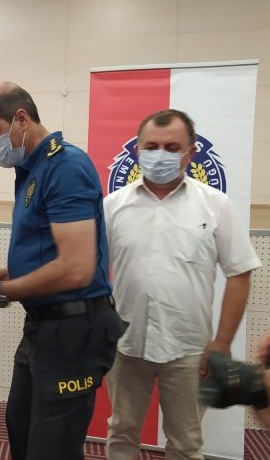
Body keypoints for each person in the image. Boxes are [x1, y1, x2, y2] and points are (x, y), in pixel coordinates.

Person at [0, 81, 126, 459]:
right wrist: (12, 273)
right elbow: (53, 249)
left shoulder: (65, 166)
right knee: (22, 430)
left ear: (21, 119)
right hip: (43, 326)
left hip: (74, 332)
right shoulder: (34, 167)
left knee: (53, 448)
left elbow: (76, 269)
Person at [103, 109, 262, 460]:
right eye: (151, 146)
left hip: (190, 348)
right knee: (122, 430)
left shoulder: (216, 205)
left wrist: (221, 343)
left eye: (172, 147)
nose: (160, 154)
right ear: (138, 150)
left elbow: (239, 273)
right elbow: (92, 270)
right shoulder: (112, 206)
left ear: (190, 153)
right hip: (126, 343)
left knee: (186, 443)